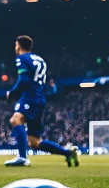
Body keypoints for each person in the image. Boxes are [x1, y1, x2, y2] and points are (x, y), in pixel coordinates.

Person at [4, 35, 79, 168]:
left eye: (16, 45)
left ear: (19, 46)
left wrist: (13, 92)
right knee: (35, 142)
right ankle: (67, 153)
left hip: (30, 96)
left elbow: (24, 79)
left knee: (15, 120)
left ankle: (22, 158)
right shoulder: (40, 59)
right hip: (40, 98)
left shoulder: (21, 58)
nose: (15, 47)